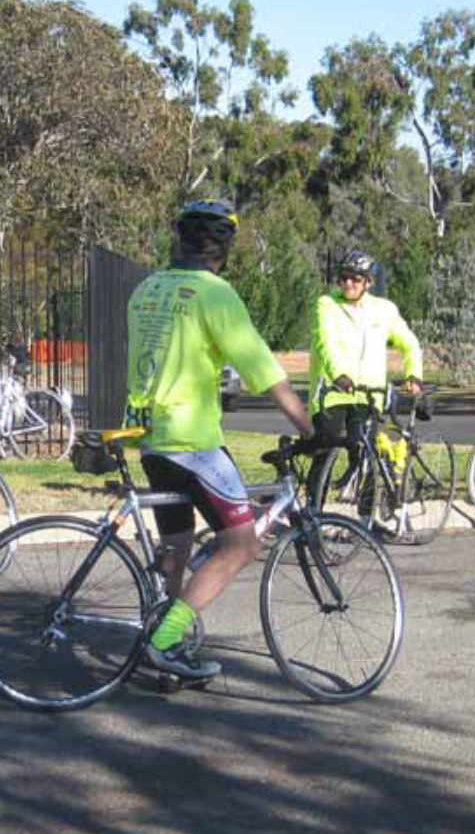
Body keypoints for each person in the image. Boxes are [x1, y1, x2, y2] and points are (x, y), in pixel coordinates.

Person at [125, 197, 313, 684]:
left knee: (179, 540)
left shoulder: (146, 288)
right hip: (193, 439)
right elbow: (265, 373)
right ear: (224, 248)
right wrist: (311, 427)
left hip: (151, 438)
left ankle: (166, 631)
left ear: (180, 240)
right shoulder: (215, 294)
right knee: (241, 542)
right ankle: (164, 641)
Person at [306, 248, 423, 503]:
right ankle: (312, 514)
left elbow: (409, 343)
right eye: (344, 277)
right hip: (333, 394)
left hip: (369, 395)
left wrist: (413, 374)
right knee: (324, 455)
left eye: (355, 278)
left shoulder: (384, 310)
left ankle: (367, 521)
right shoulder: (327, 305)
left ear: (368, 283)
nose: (348, 283)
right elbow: (327, 343)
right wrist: (340, 375)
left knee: (367, 458)